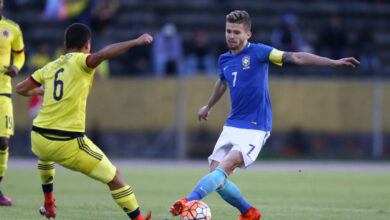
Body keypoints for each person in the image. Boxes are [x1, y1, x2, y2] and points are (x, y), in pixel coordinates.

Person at [169, 10, 359, 220]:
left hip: (255, 126)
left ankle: (187, 200)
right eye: (228, 31)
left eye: (236, 32)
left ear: (247, 34)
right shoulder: (224, 59)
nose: (231, 36)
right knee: (216, 175)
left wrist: (332, 62)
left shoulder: (259, 52)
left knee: (221, 170)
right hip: (232, 124)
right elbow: (222, 82)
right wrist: (208, 106)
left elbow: (295, 56)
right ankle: (249, 212)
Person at [16, 23, 153, 220]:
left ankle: (49, 204)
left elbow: (20, 89)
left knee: (45, 156)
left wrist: (39, 90)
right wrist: (135, 41)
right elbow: (102, 55)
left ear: (65, 44)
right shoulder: (81, 61)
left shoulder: (50, 66)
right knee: (115, 178)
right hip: (67, 142)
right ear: (87, 44)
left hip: (38, 137)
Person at [0, 0, 26, 206]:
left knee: (3, 141)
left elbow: (20, 55)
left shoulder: (11, 29)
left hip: (3, 92)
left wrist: (16, 67)